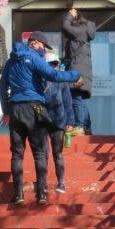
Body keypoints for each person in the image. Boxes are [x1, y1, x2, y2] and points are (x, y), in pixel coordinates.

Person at [0, 32, 82, 205]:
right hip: (34, 107)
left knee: (17, 154)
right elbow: (54, 76)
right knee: (40, 152)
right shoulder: (33, 58)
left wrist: (6, 111)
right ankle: (42, 194)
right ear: (35, 44)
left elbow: (2, 88)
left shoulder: (10, 62)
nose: (44, 52)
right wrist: (75, 75)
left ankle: (19, 194)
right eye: (44, 48)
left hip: (15, 109)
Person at [40, 47, 72, 194]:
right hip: (43, 120)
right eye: (51, 64)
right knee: (44, 153)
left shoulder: (62, 80)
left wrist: (70, 121)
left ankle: (61, 183)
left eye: (55, 63)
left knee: (57, 153)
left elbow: (67, 101)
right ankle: (44, 183)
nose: (53, 66)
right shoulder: (39, 79)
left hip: (58, 120)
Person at [60, 7, 97, 135]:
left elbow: (65, 26)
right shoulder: (84, 32)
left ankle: (80, 126)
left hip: (78, 70)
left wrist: (70, 15)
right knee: (78, 98)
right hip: (82, 69)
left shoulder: (80, 31)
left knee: (75, 97)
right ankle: (86, 126)